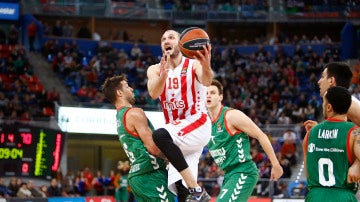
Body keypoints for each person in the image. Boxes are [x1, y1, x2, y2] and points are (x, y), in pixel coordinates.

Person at [147, 29, 213, 201]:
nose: (166, 41)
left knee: (159, 135)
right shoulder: (155, 69)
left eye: (171, 37)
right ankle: (193, 191)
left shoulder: (194, 64)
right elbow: (153, 93)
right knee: (180, 187)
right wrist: (164, 75)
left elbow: (207, 80)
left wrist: (206, 64)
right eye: (163, 39)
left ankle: (197, 190)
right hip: (179, 133)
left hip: (197, 123)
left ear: (181, 43)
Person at [205, 79, 283, 201]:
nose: (208, 95)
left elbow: (260, 135)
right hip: (229, 174)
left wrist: (275, 164)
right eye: (205, 93)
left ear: (221, 97)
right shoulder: (205, 123)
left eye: (212, 92)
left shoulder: (231, 115)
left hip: (243, 171)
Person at [101, 74, 175, 202]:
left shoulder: (119, 117)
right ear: (119, 93)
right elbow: (152, 148)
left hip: (137, 178)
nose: (131, 89)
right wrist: (172, 157)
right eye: (127, 86)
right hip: (151, 174)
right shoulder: (135, 113)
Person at [303, 62, 360, 183]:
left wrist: (358, 164)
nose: (319, 81)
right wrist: (321, 129)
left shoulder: (349, 104)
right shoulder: (337, 104)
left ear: (331, 81)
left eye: (323, 76)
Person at [303, 86, 360, 202]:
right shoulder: (355, 132)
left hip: (315, 196)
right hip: (343, 197)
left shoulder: (310, 133)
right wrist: (357, 165)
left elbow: (307, 173)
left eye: (323, 102)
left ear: (329, 107)